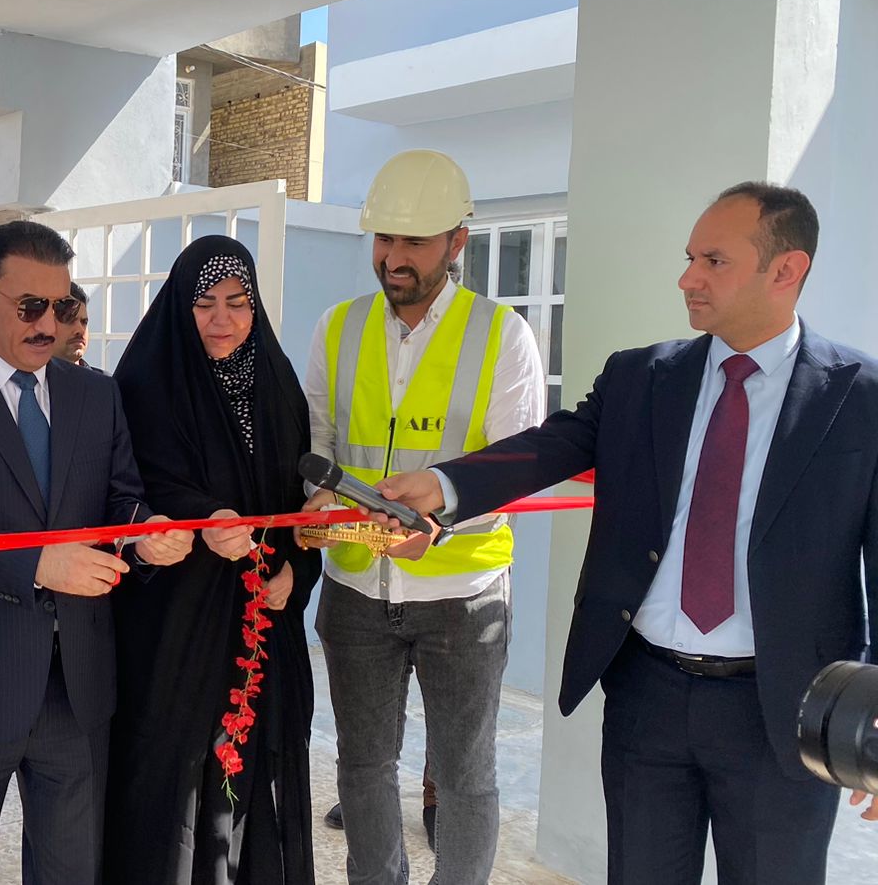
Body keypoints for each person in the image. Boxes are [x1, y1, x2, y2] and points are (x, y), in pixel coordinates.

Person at [375, 182, 878, 884]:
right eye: (689, 258)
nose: (688, 278)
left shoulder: (859, 399)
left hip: (783, 708)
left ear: (786, 270)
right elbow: (550, 446)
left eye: (714, 261)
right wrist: (444, 486)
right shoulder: (643, 376)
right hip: (649, 699)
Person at [0, 219, 194, 884]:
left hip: (76, 687)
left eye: (62, 306)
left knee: (70, 871)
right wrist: (37, 566)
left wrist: (147, 535)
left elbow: (121, 501)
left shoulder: (96, 394)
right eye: (30, 307)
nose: (48, 325)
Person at [302, 149, 544, 885]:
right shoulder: (337, 328)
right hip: (355, 587)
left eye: (414, 241)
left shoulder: (502, 335)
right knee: (363, 765)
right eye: (384, 239)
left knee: (465, 775)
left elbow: (518, 471)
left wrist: (440, 525)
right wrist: (317, 500)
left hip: (462, 597)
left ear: (456, 241)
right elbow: (318, 442)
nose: (394, 257)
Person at [105, 234, 323, 884]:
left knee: (258, 773)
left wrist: (296, 572)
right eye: (205, 303)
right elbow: (125, 489)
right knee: (176, 772)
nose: (222, 319)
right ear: (181, 306)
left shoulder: (278, 385)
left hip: (262, 620)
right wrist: (201, 518)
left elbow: (297, 508)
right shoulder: (144, 384)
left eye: (237, 303)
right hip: (176, 625)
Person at [55, 281, 93, 367]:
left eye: (84, 322)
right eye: (69, 319)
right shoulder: (27, 375)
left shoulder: (102, 376)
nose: (80, 330)